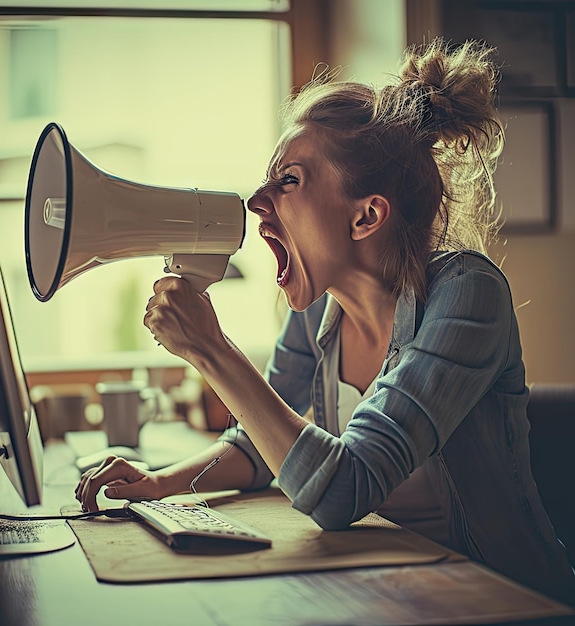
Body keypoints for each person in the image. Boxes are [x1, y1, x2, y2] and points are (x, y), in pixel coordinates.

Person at [76, 38, 575, 605]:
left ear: (366, 215)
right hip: (395, 586)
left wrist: (212, 350)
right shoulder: (320, 303)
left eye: (288, 180)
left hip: (501, 600)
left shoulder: (467, 294)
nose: (258, 201)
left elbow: (343, 489)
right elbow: (258, 444)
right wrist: (160, 482)